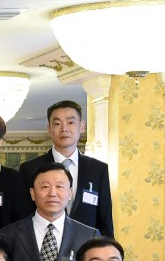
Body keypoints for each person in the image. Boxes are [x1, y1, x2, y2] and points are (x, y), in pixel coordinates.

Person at [0, 162, 100, 261]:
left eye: (59, 186)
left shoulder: (89, 235)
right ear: (33, 193)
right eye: (45, 187)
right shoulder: (8, 235)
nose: (52, 193)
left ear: (70, 193)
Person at [20, 100, 113, 237]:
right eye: (57, 124)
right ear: (49, 128)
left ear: (82, 126)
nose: (64, 129)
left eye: (70, 122)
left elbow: (105, 221)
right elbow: (23, 217)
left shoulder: (98, 169)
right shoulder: (30, 169)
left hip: (86, 244)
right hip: (45, 242)